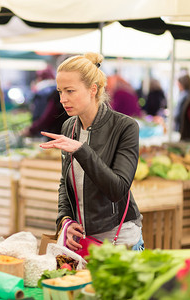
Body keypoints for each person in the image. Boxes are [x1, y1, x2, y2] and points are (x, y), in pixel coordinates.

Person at [39, 52, 143, 252]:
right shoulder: (69, 127)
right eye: (60, 91)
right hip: (82, 242)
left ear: (92, 89)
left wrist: (81, 149)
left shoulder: (125, 127)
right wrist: (65, 221)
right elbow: (65, 182)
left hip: (121, 243)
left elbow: (117, 189)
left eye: (70, 91)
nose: (62, 99)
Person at [22, 67, 69, 137]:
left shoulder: (44, 92)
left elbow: (47, 118)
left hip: (55, 134)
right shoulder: (53, 91)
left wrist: (31, 130)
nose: (63, 100)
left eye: (71, 91)